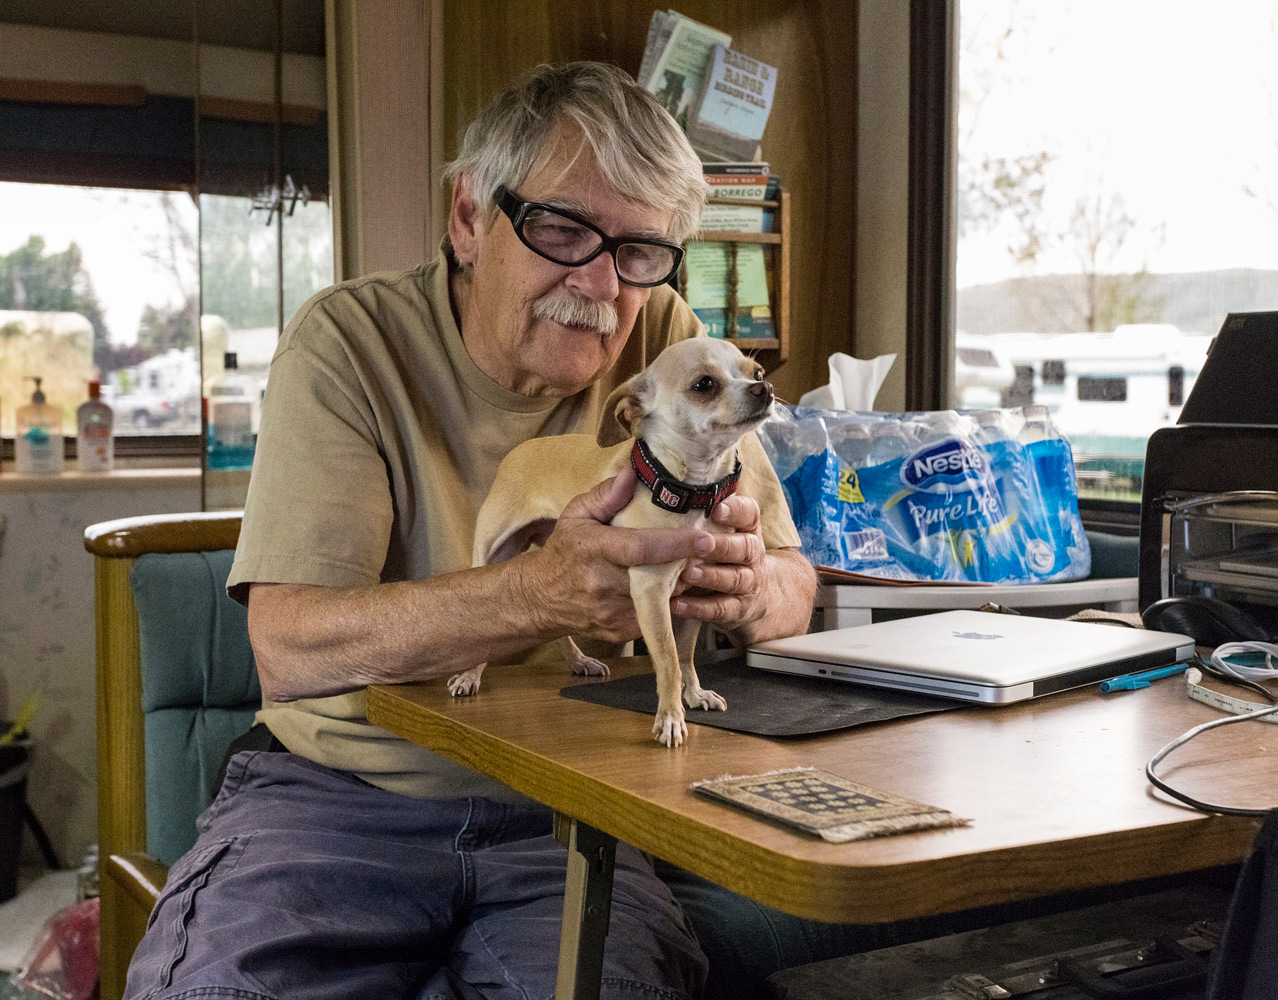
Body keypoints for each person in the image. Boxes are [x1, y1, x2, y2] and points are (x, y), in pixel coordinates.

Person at [123, 60, 816, 1000]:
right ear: (468, 218)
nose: (604, 285)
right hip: (338, 799)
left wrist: (746, 590)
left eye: (642, 252)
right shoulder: (350, 346)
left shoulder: (675, 346)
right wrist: (536, 594)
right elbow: (288, 647)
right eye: (564, 229)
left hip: (574, 811)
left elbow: (796, 587)